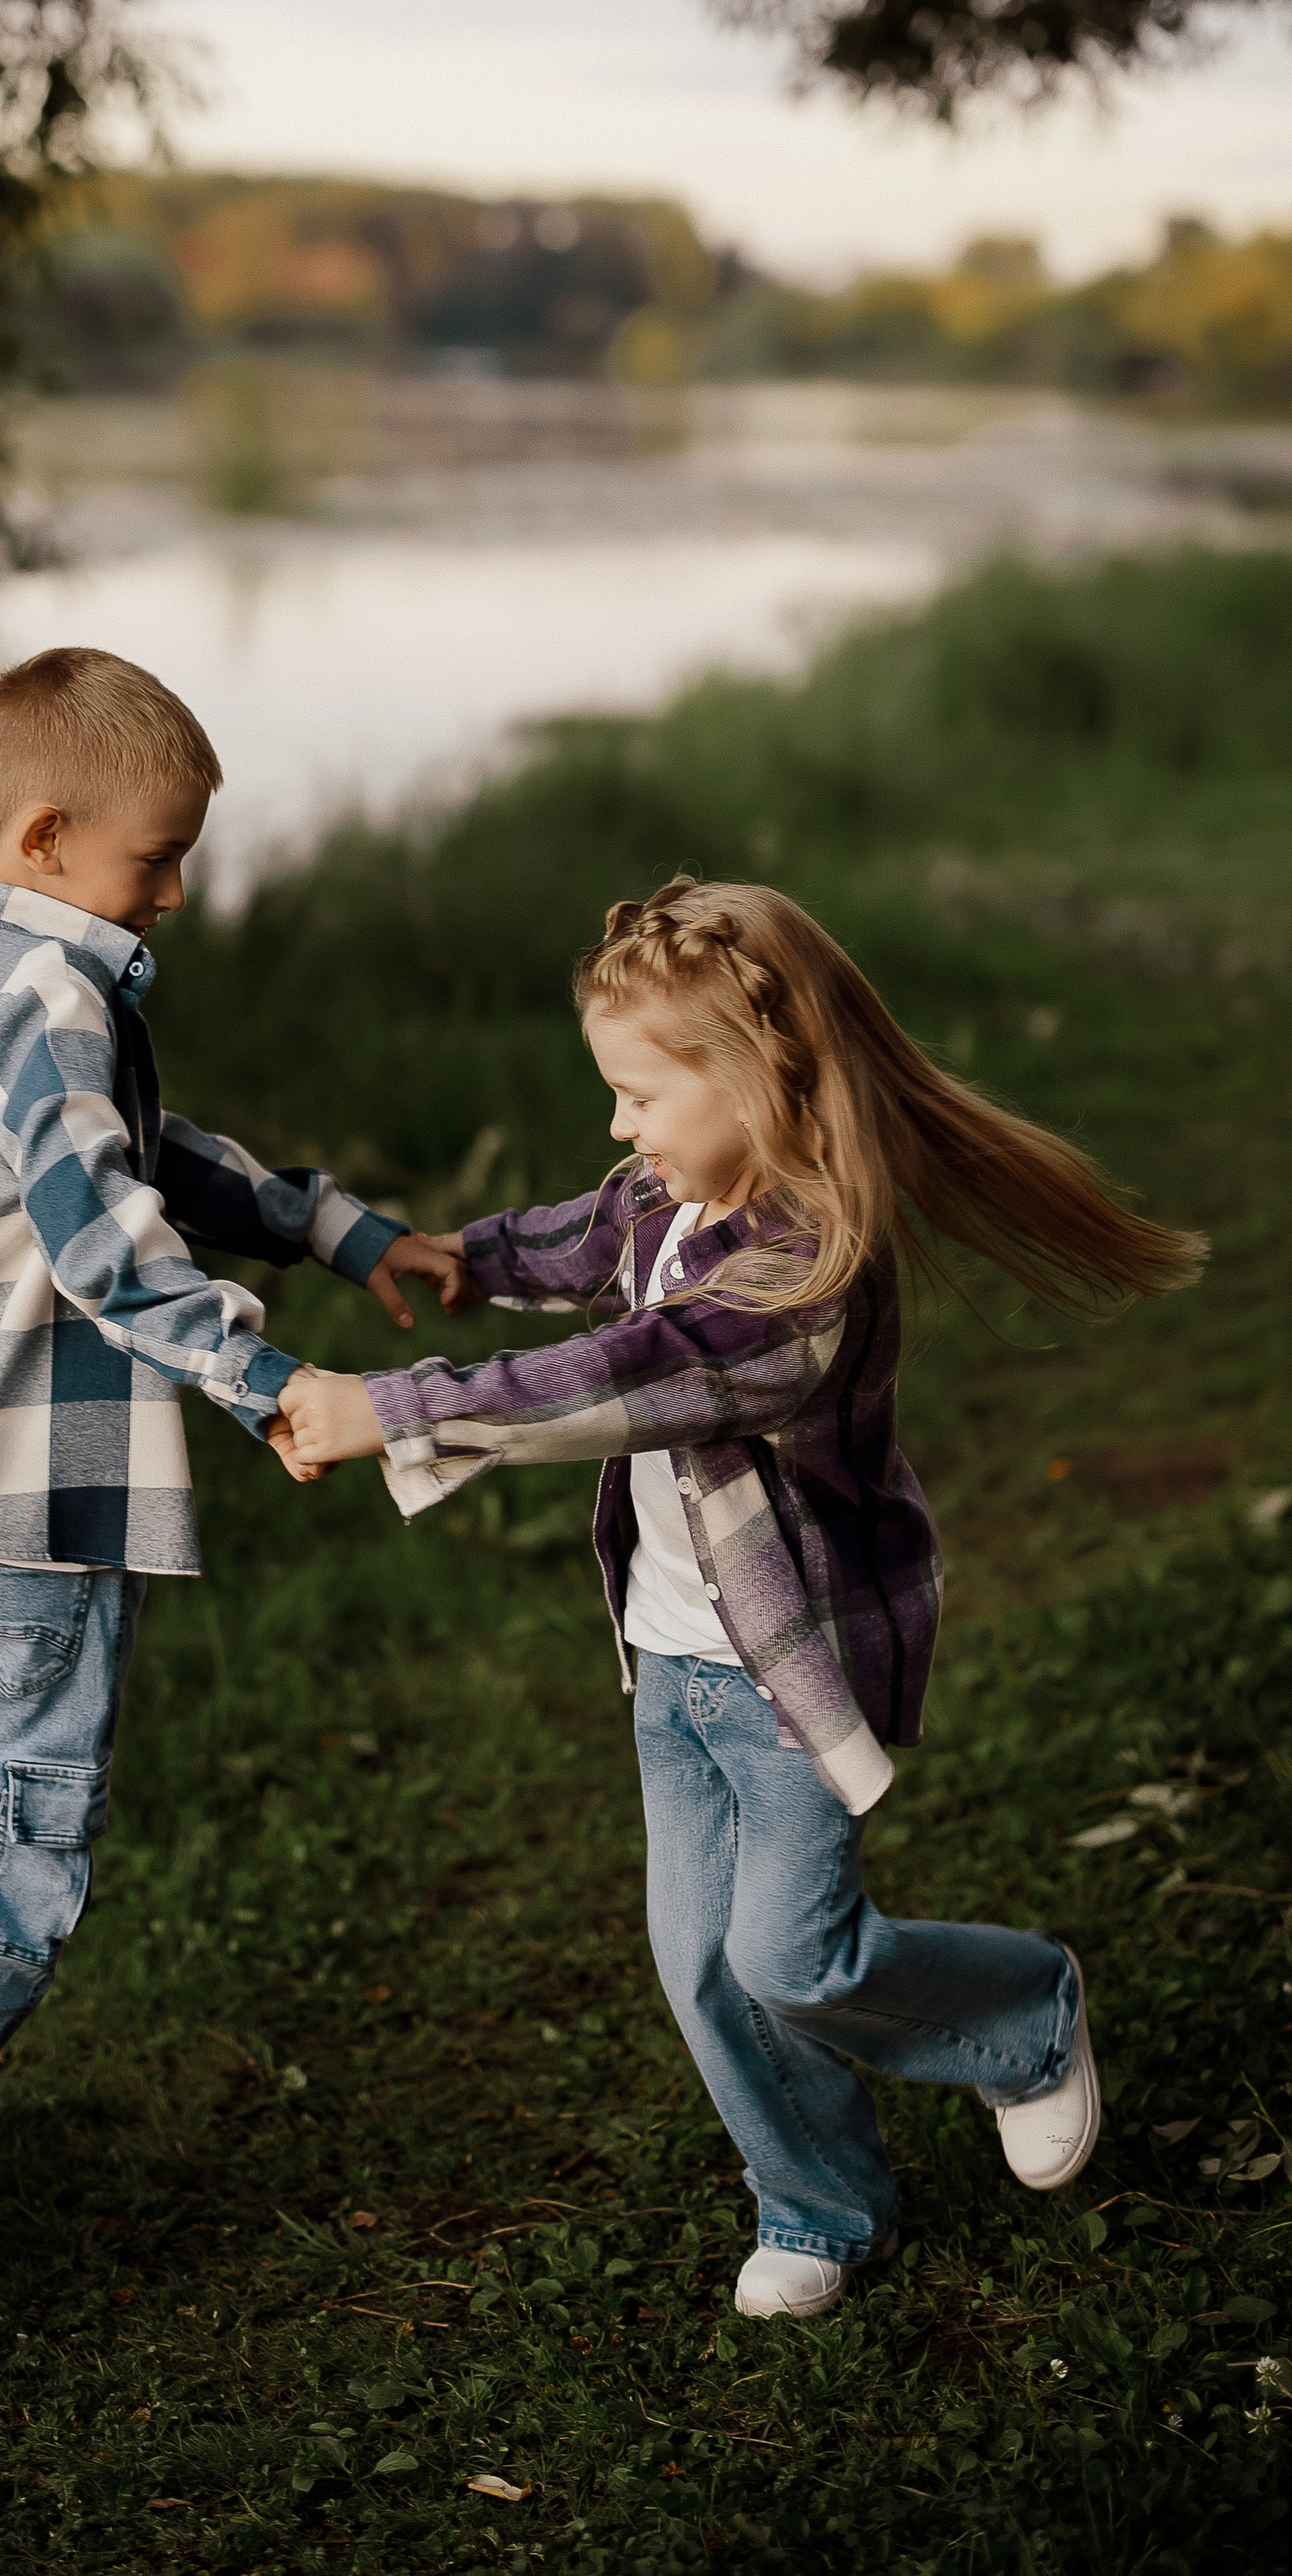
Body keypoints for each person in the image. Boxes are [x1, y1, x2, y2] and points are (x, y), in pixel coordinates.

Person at [277, 876, 1204, 2321]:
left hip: (784, 1669)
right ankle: (822, 2206)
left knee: (795, 1959)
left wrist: (395, 1408)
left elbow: (623, 1374)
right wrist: (457, 1258)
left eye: (642, 1094)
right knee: (705, 1971)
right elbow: (579, 1237)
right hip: (669, 1658)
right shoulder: (673, 1194)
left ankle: (1024, 2015)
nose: (620, 1127)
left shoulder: (801, 1277)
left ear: (760, 1079)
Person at [0, 646, 464, 2340]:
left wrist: (330, 1225)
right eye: (157, 859)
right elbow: (110, 1247)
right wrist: (271, 1381)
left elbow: (134, 1149)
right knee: (10, 1855)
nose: (176, 894)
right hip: (24, 1499)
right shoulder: (52, 996)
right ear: (46, 833)